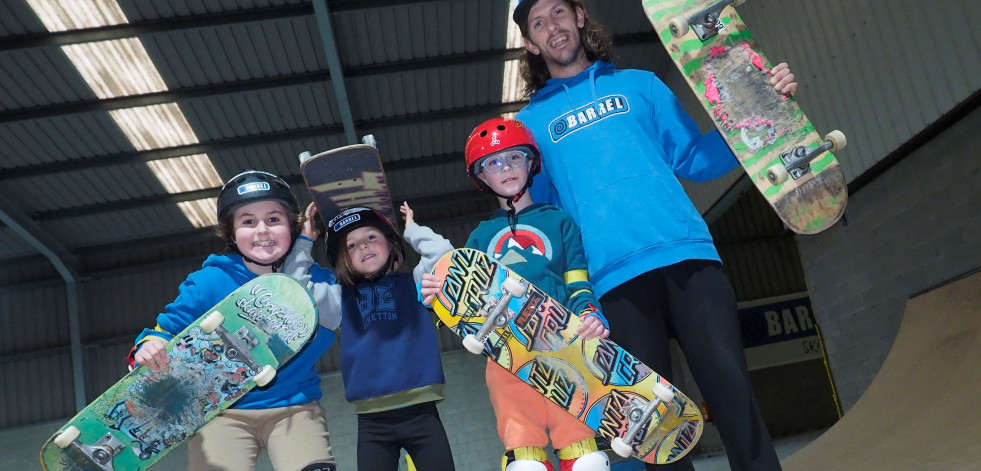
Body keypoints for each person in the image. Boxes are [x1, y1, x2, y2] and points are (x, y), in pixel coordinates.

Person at [507, 1, 800, 470]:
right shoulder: (528, 127)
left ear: (580, 16)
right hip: (610, 284)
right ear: (530, 43)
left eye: (558, 13)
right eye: (538, 23)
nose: (552, 27)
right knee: (656, 432)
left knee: (733, 397)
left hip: (688, 259)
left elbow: (696, 160)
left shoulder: (641, 85)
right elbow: (543, 218)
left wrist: (763, 105)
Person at [424, 117, 612, 471]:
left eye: (514, 158)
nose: (505, 168)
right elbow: (464, 302)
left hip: (563, 344)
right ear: (481, 176)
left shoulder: (558, 222)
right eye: (492, 163)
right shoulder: (481, 236)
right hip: (505, 355)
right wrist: (437, 296)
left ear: (531, 163)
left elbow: (577, 282)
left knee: (587, 458)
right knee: (525, 463)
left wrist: (590, 313)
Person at [128, 170, 339, 471]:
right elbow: (165, 329)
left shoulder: (318, 282)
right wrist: (150, 345)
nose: (262, 231)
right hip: (221, 411)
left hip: (295, 405)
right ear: (231, 233)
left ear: (292, 228)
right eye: (248, 222)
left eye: (274, 220)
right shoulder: (209, 281)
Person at [283, 201, 456, 471]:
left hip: (423, 414)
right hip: (372, 423)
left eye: (371, 237)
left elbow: (444, 254)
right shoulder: (338, 301)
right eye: (351, 245)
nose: (363, 246)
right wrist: (305, 239)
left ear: (390, 244)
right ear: (343, 259)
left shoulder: (417, 284)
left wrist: (411, 229)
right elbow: (294, 288)